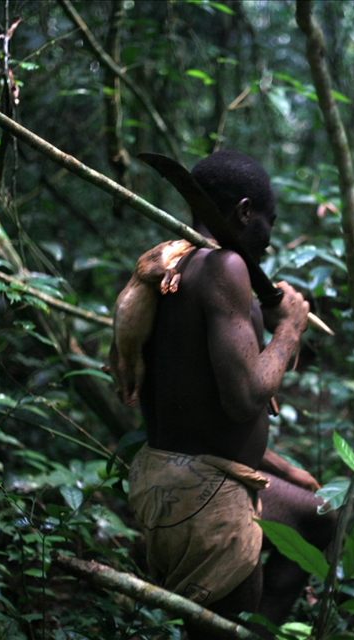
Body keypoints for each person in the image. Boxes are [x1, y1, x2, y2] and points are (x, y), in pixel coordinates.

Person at [126, 150, 335, 635]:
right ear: (243, 213)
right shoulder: (225, 268)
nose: (269, 238)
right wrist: (289, 330)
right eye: (268, 222)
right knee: (218, 629)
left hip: (175, 478)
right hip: (205, 501)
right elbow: (244, 398)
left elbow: (195, 408)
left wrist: (278, 467)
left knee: (319, 516)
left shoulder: (170, 266)